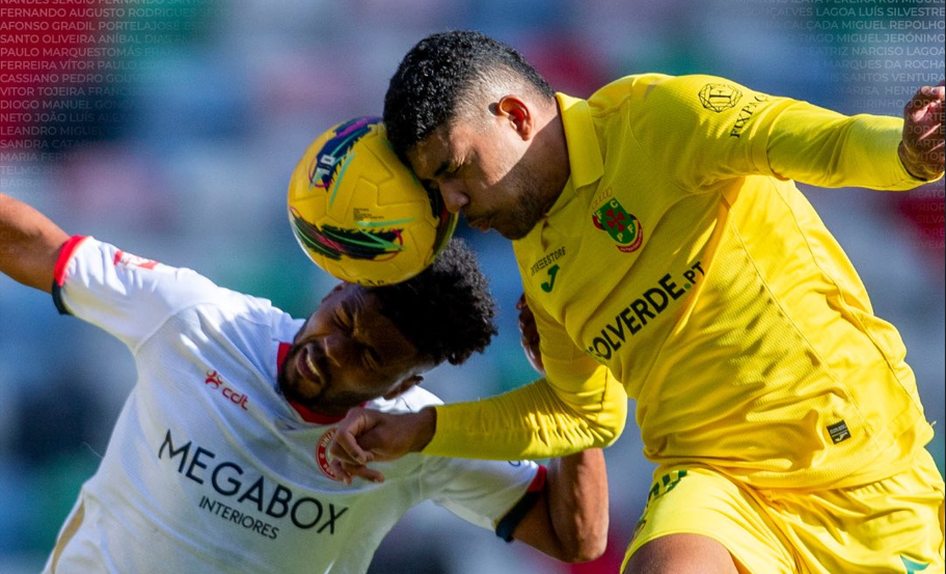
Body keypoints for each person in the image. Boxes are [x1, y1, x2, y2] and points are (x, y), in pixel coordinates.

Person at [328, 30, 946, 574]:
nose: (453, 202)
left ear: (514, 116)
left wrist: (908, 152)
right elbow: (583, 414)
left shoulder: (660, 119)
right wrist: (422, 429)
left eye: (455, 168)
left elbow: (828, 143)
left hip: (862, 470)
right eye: (436, 187)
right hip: (713, 481)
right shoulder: (537, 257)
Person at [0, 191, 610, 574]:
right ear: (333, 289)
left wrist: (569, 376)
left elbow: (576, 537)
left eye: (367, 356)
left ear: (403, 385)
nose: (331, 351)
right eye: (343, 320)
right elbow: (36, 248)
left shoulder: (419, 437)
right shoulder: (197, 321)